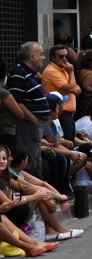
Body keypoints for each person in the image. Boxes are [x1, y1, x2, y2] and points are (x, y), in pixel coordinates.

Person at [7, 42, 50, 178]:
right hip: (28, 125)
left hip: (35, 125)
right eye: (41, 54)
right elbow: (16, 101)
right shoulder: (19, 72)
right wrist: (33, 119)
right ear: (32, 57)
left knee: (36, 161)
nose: (43, 58)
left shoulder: (30, 74)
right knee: (29, 162)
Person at [40, 44, 80, 139]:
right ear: (53, 58)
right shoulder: (52, 71)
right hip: (61, 113)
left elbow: (78, 89)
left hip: (68, 114)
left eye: (66, 56)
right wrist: (71, 72)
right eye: (61, 56)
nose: (65, 59)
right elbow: (71, 87)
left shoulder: (64, 69)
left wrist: (72, 87)